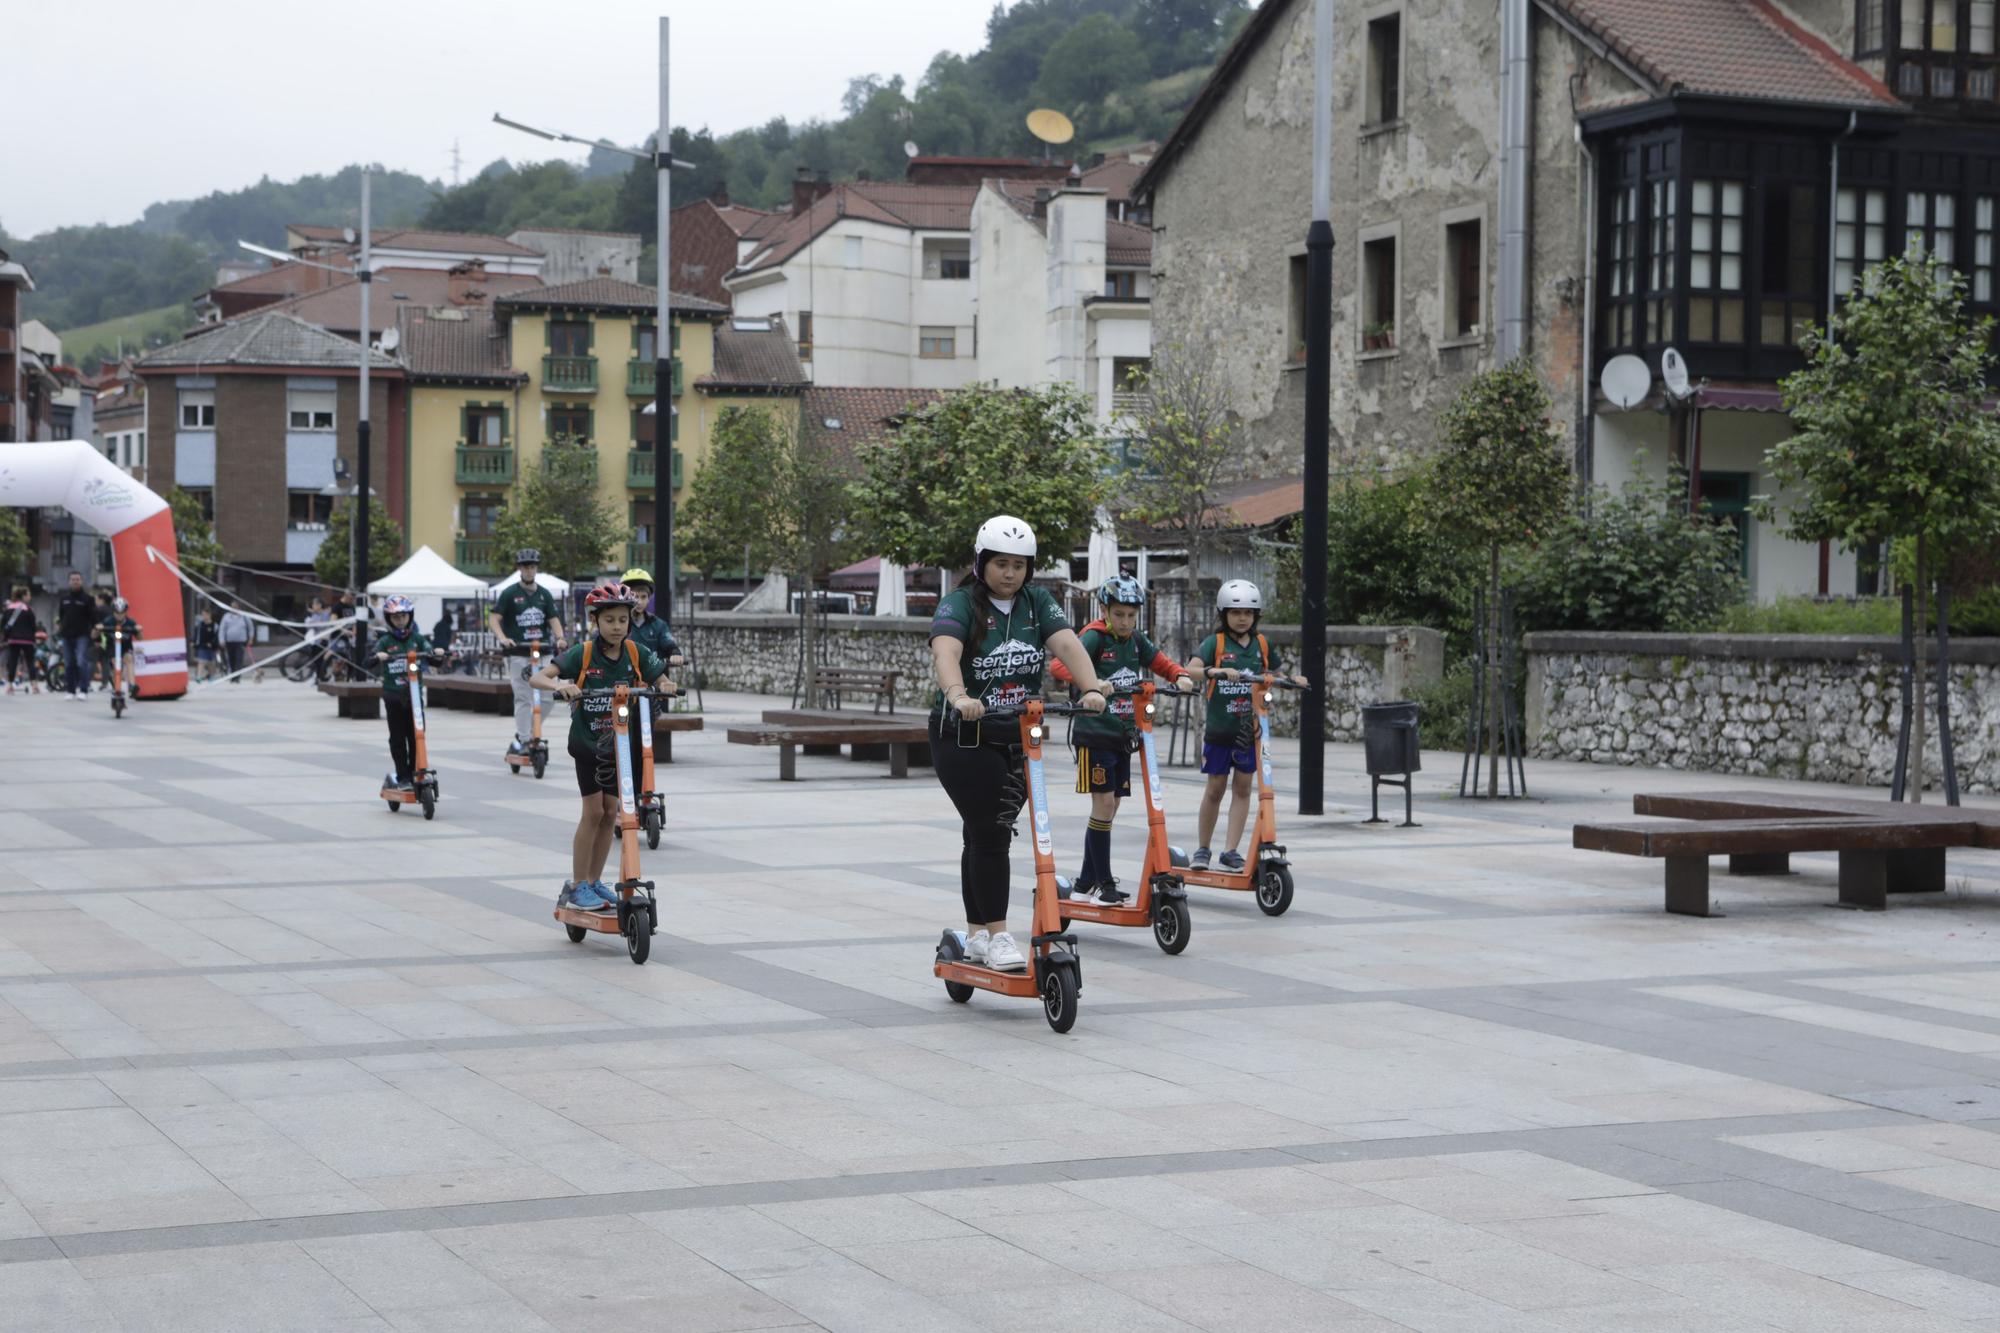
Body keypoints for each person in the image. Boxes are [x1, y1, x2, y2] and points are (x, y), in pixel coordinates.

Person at [929, 515, 1108, 972]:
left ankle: (974, 937)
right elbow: (945, 652)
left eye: (1019, 565)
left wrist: (1089, 687)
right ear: (981, 563)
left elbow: (1067, 645)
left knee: (983, 834)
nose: (1010, 574)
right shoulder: (960, 604)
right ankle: (1000, 935)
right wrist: (959, 695)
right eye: (1001, 564)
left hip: (1017, 736)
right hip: (963, 736)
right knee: (991, 834)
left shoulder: (1036, 602)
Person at [1049, 575, 1197, 904]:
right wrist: (1093, 681)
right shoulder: (1094, 637)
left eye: (1131, 615)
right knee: (1103, 805)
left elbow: (1160, 661)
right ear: (1104, 610)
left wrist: (1180, 675)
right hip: (1094, 733)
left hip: (1123, 735)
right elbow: (1059, 665)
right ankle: (1104, 883)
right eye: (1119, 615)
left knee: (1111, 806)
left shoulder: (1135, 641)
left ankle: (1086, 880)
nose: (1126, 622)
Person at [531, 582, 675, 911]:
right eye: (609, 620)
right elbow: (537, 678)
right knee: (593, 812)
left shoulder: (636, 653)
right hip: (588, 746)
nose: (617, 627)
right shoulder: (582, 653)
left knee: (612, 815)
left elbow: (660, 677)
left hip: (620, 747)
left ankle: (594, 883)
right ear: (596, 621)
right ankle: (577, 884)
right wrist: (562, 685)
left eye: (622, 620)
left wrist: (666, 683)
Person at [1185, 580, 1309, 871]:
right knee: (1215, 789)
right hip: (1219, 731)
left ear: (1256, 616)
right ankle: (1203, 849)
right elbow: (1190, 670)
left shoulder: (1261, 645)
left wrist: (1293, 680)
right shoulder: (1214, 644)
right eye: (1236, 612)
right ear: (1224, 613)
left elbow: (1275, 674)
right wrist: (1216, 671)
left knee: (1243, 789)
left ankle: (1230, 850)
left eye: (1249, 613)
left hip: (1249, 733)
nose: (1243, 618)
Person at [490, 549, 566, 758]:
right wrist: (503, 638)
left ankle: (531, 733)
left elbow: (553, 619)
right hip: (518, 652)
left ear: (536, 568)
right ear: (519, 569)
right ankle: (524, 740)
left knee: (548, 697)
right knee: (523, 697)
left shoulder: (544, 594)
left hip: (541, 651)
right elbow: (494, 618)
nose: (529, 570)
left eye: (532, 566)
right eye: (525, 566)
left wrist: (560, 637)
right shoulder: (509, 593)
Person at [367, 595, 445, 791]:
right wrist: (378, 656)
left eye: (403, 616)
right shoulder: (385, 641)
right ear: (389, 619)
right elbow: (367, 661)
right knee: (398, 737)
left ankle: (414, 773)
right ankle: (402, 776)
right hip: (393, 695)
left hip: (414, 697)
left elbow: (433, 658)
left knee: (417, 735)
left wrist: (437, 654)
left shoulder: (417, 639)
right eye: (395, 618)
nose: (400, 621)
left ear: (410, 617)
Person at [618, 568, 681, 665]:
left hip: (652, 677)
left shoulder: (658, 624)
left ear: (649, 599)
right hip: (623, 676)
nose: (639, 602)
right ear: (625, 597)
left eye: (643, 597)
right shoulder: (617, 623)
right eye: (635, 596)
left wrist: (675, 652)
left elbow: (668, 642)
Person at [56, 571, 95, 700]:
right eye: (73, 579)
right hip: (66, 635)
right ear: (69, 581)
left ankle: (83, 689)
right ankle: (70, 690)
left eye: (77, 579)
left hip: (82, 635)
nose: (75, 581)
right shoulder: (64, 599)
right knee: (68, 663)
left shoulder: (88, 599)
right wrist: (60, 627)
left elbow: (93, 617)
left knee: (80, 662)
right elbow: (61, 616)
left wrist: (95, 632)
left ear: (81, 581)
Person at [98, 597, 143, 696]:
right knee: (116, 663)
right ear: (113, 611)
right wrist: (98, 628)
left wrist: (138, 630)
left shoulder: (130, 622)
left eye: (122, 612)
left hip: (125, 647)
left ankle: (131, 685)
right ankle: (116, 686)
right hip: (112, 647)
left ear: (125, 612)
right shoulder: (108, 621)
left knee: (129, 659)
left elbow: (140, 638)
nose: (119, 615)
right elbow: (95, 633)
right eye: (117, 612)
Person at [3, 588, 38, 694]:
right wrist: (33, 637)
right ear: (23, 596)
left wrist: (6, 637)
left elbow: (4, 625)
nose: (30, 597)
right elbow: (33, 625)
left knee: (12, 662)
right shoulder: (28, 609)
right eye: (28, 595)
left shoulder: (9, 608)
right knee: (30, 662)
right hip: (27, 640)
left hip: (13, 640)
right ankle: (34, 686)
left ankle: (10, 686)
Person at [219, 605, 252, 680]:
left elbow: (250, 627)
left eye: (235, 607)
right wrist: (221, 640)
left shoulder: (244, 616)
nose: (234, 609)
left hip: (240, 642)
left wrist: (250, 638)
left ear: (239, 608)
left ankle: (237, 676)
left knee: (239, 659)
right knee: (231, 659)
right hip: (229, 641)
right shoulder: (226, 617)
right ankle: (232, 675)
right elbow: (222, 629)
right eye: (232, 607)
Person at [192, 608, 221, 682]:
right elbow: (196, 634)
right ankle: (198, 676)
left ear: (209, 615)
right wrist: (192, 641)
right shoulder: (200, 625)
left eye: (204, 615)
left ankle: (211, 676)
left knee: (211, 662)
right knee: (201, 661)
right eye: (202, 615)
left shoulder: (214, 625)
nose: (203, 616)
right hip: (202, 646)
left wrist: (212, 643)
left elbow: (216, 636)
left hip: (211, 647)